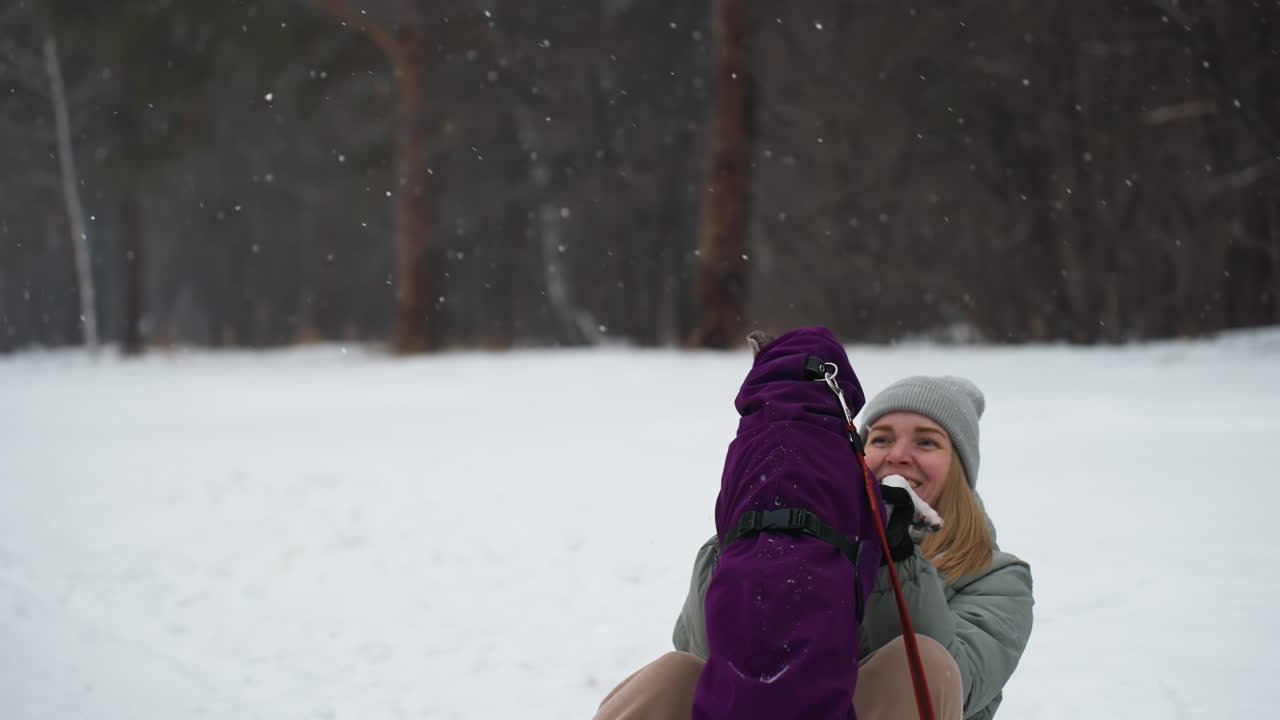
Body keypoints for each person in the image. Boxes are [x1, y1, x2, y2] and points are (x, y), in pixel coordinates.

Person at [594, 371, 1034, 720]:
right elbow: (708, 657)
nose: (899, 454)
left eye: (926, 441)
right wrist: (748, 548)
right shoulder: (810, 544)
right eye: (879, 439)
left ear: (959, 469)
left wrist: (893, 552)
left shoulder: (998, 577)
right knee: (675, 675)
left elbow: (957, 684)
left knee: (921, 660)